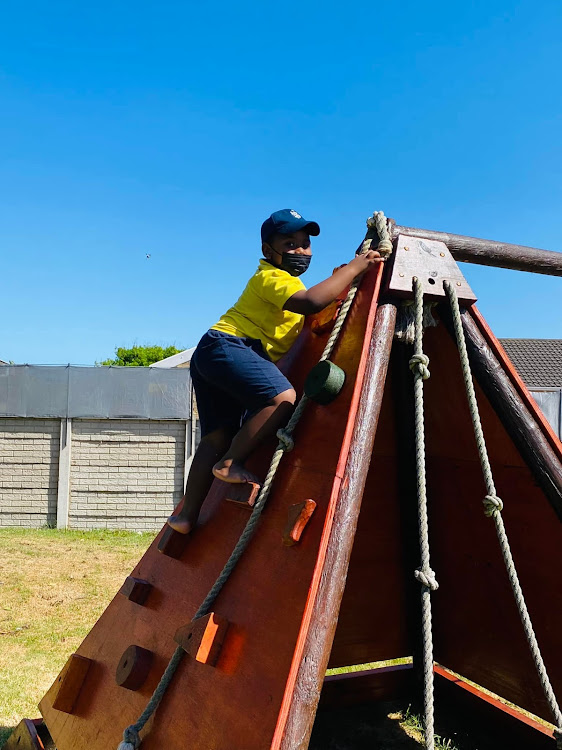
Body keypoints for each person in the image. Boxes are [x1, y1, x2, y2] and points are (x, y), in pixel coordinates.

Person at [167, 209, 382, 534]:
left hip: (213, 352)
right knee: (282, 398)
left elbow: (314, 307)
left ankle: (185, 516)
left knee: (217, 436)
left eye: (305, 244)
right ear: (269, 251)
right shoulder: (271, 278)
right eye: (290, 244)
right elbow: (311, 301)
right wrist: (355, 267)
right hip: (228, 345)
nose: (301, 251)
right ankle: (229, 463)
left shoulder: (285, 284)